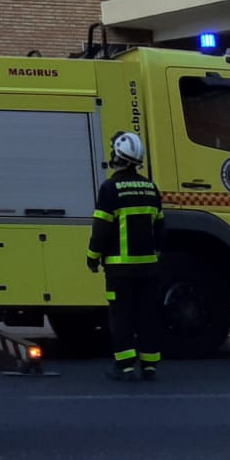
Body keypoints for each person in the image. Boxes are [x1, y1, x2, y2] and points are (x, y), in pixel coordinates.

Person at [88, 131, 164, 381]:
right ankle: (150, 366)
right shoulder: (151, 188)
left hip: (120, 270)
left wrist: (92, 256)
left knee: (121, 316)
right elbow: (161, 230)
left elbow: (101, 229)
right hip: (149, 270)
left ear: (118, 156)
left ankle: (125, 366)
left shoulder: (110, 189)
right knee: (147, 316)